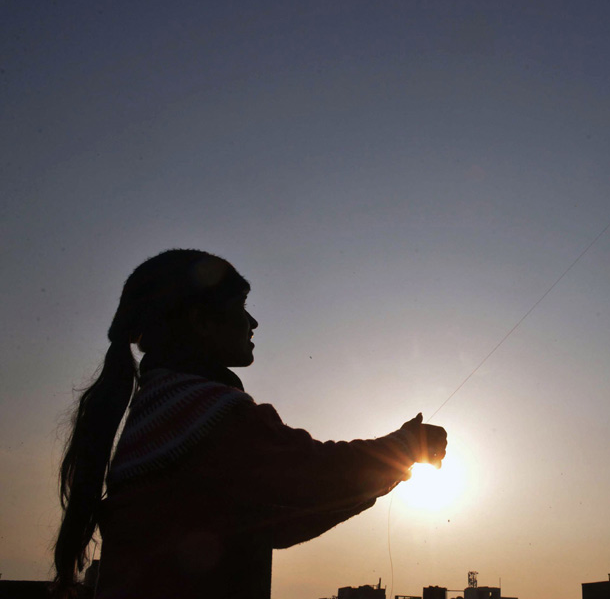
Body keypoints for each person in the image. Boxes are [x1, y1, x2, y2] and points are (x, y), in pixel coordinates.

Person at [53, 249, 447, 599]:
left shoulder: (159, 414)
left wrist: (395, 467)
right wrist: (403, 447)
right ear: (200, 320)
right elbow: (310, 476)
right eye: (240, 305)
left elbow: (279, 520)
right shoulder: (208, 414)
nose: (252, 320)